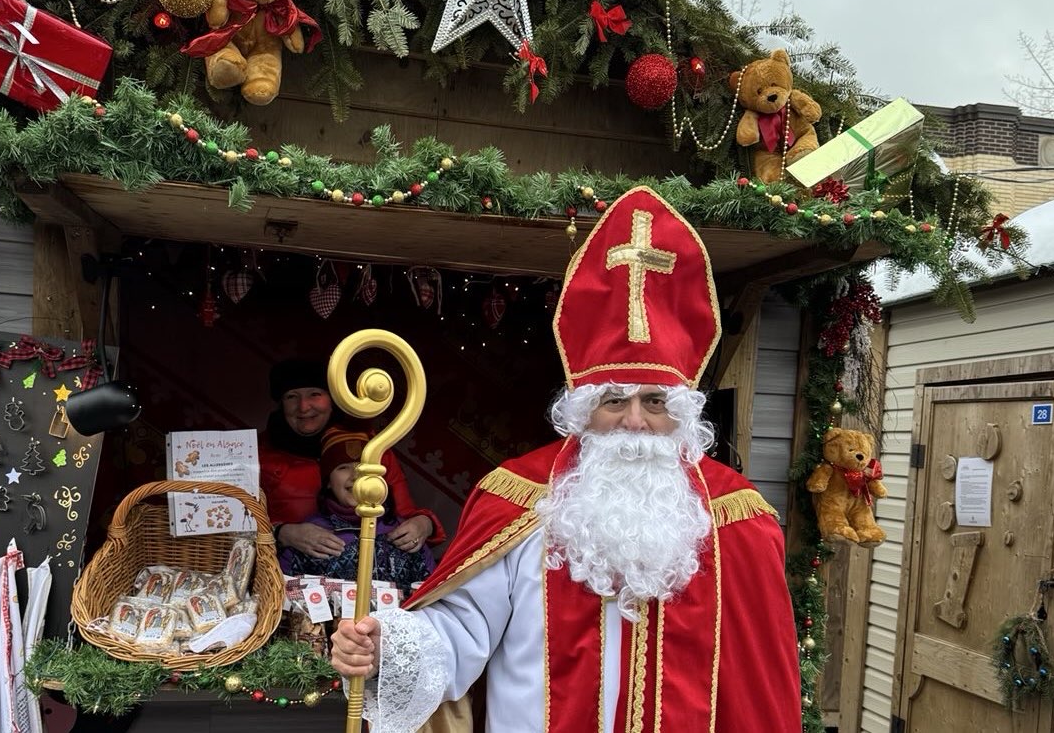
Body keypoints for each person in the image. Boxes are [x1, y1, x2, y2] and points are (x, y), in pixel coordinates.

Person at [331, 186, 800, 733]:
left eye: (654, 402)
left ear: (682, 414)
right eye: (613, 401)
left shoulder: (737, 517)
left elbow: (761, 683)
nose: (634, 421)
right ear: (581, 410)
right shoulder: (520, 498)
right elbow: (462, 630)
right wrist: (387, 646)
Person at [260, 359, 445, 560]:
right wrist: (283, 533)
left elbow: (404, 514)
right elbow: (238, 529)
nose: (303, 407)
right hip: (280, 569)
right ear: (281, 404)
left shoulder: (371, 447)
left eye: (315, 394)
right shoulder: (259, 454)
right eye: (291, 397)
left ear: (333, 399)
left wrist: (424, 524)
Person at [279, 425, 436, 587]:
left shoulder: (405, 533)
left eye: (362, 466)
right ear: (328, 482)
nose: (355, 476)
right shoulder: (306, 537)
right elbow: (280, 592)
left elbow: (431, 593)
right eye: (343, 468)